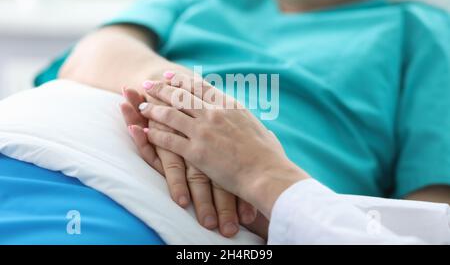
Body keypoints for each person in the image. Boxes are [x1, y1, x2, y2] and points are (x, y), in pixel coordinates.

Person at [35, 0, 450, 239]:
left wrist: (259, 183)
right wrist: (196, 113)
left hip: (231, 228)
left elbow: (431, 217)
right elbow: (92, 53)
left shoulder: (420, 30)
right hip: (56, 166)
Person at [123, 73, 450, 244]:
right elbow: (98, 54)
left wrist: (262, 177)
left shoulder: (416, 25)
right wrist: (184, 104)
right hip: (113, 159)